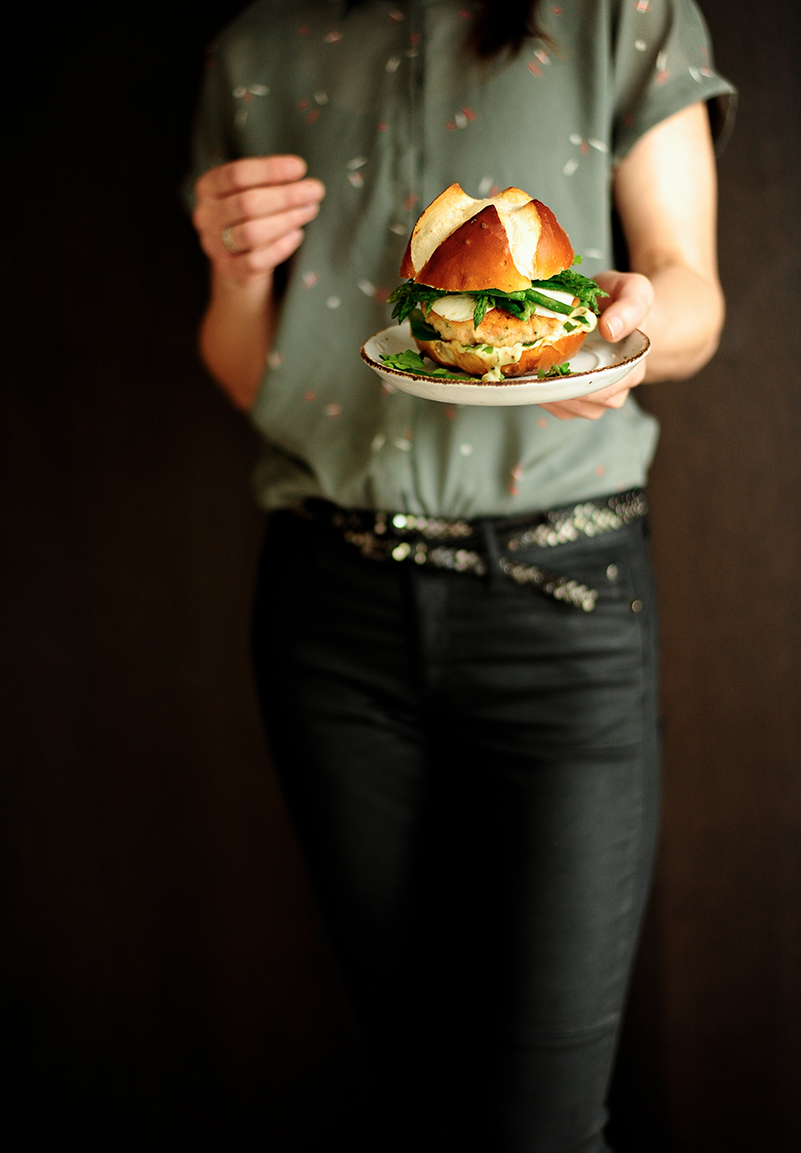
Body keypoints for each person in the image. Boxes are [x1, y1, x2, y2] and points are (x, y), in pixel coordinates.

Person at [189, 2, 734, 1149]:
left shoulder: (616, 15)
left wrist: (635, 331)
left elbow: (693, 292)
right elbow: (250, 375)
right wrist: (236, 272)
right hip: (331, 616)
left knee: (537, 1124)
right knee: (421, 1089)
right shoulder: (256, 46)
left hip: (560, 604)